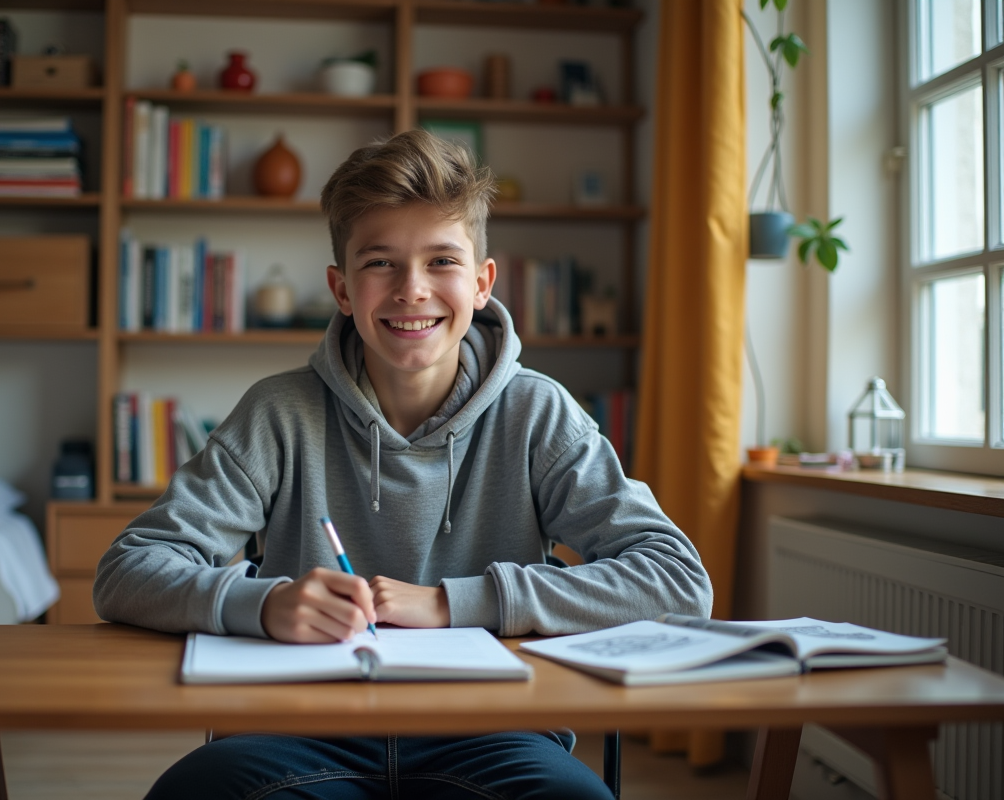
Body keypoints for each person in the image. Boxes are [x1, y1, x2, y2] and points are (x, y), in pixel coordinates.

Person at [94, 129, 712, 800]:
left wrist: (457, 603)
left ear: (481, 283)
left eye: (441, 261)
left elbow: (678, 581)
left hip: (495, 734)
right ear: (341, 288)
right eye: (380, 263)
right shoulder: (279, 413)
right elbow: (127, 570)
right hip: (292, 730)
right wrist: (263, 604)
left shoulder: (538, 414)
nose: (412, 290)